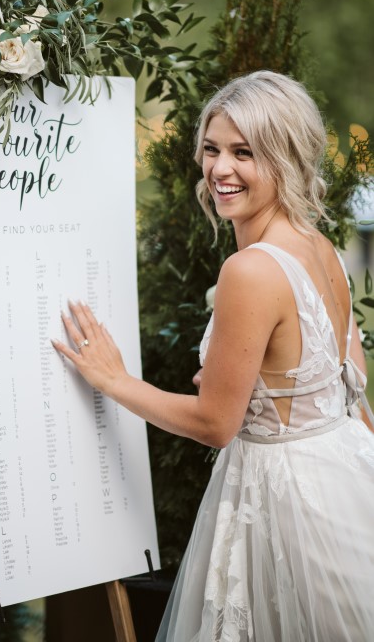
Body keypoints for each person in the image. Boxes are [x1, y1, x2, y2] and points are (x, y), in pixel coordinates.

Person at [51, 71, 374, 641]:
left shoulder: (249, 269)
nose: (220, 169)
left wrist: (114, 378)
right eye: (212, 149)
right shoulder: (319, 244)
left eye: (244, 153)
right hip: (346, 469)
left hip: (288, 497)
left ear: (286, 157)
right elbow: (350, 375)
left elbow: (215, 424)